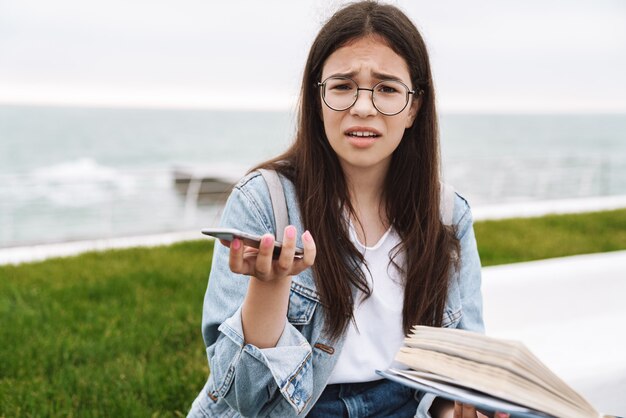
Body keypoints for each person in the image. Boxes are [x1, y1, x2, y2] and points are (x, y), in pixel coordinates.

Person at [188, 2, 505, 417]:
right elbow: (245, 399)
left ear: (414, 107)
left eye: (387, 88)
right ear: (317, 97)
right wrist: (269, 286)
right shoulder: (263, 201)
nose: (363, 107)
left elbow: (461, 364)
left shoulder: (449, 213)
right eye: (343, 86)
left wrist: (451, 409)